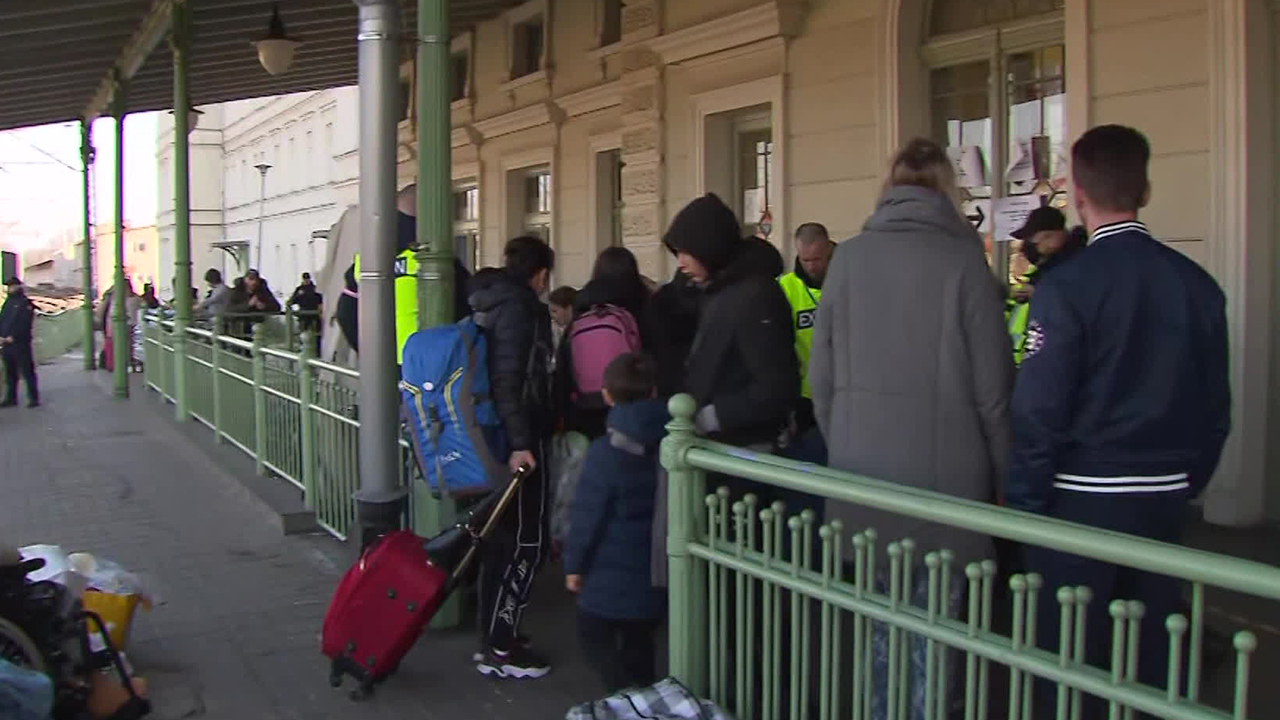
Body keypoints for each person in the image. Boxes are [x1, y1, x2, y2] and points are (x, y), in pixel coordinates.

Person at [1010, 125, 1230, 718]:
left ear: (1077, 192)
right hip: (1162, 501)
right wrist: (1185, 481)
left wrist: (1025, 503)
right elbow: (1217, 411)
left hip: (1079, 502)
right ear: (1147, 187)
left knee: (1067, 666)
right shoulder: (1198, 286)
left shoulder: (1066, 286)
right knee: (1154, 663)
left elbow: (1039, 410)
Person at [809, 138, 1012, 720]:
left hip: (865, 476)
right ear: (948, 190)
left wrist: (847, 442)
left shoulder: (847, 259)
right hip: (948, 484)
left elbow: (820, 379)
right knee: (937, 632)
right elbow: (994, 394)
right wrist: (1004, 476)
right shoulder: (965, 263)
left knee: (880, 626)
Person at [469, 235, 557, 680]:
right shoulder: (520, 310)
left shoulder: (486, 301)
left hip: (491, 438)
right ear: (540, 275)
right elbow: (511, 382)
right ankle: (501, 646)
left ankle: (494, 636)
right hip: (516, 442)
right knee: (528, 541)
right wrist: (522, 443)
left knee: (501, 542)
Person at [563, 352, 667, 693]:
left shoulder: (603, 452)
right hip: (655, 577)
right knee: (641, 647)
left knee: (594, 640)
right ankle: (644, 697)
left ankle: (624, 699)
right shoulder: (676, 443)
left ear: (606, 395)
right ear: (654, 392)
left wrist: (573, 565)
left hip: (606, 583)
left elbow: (587, 516)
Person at [662, 193, 799, 449]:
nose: (680, 263)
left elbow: (776, 386)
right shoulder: (719, 291)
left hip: (742, 449)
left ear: (708, 247)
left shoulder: (755, 297)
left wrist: (713, 416)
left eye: (686, 252)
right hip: (717, 444)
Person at [345, 184, 472, 362]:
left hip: (382, 364)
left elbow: (345, 312)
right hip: (427, 364)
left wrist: (367, 351)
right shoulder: (433, 255)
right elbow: (465, 308)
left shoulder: (366, 258)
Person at [556, 246, 650, 439]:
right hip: (633, 409)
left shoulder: (582, 309)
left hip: (586, 408)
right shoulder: (642, 306)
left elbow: (564, 367)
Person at [777, 222, 835, 465]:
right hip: (805, 396)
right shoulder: (786, 287)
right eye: (805, 259)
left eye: (818, 259)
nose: (811, 266)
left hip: (841, 391)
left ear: (830, 250)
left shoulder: (848, 278)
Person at [1004, 207, 1086, 366]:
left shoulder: (1074, 267)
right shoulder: (1043, 269)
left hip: (1057, 361)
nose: (1032, 246)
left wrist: (1039, 293)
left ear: (1054, 235)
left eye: (1036, 240)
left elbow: (1075, 307)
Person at [0, 277, 39, 408]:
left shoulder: (25, 303)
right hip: (6, 343)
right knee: (10, 372)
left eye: (12, 286)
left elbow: (25, 323)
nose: (10, 289)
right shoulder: (8, 302)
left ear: (18, 287)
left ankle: (33, 398)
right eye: (8, 287)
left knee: (27, 370)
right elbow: (2, 320)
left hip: (20, 343)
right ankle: (11, 398)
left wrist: (14, 336)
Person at [226, 269, 281, 338]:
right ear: (245, 280)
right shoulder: (236, 292)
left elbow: (277, 307)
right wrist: (248, 305)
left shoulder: (262, 291)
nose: (253, 282)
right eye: (251, 279)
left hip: (259, 327)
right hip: (240, 327)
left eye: (256, 280)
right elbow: (229, 309)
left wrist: (264, 306)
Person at [287, 272, 324, 340]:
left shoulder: (314, 288)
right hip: (303, 314)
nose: (306, 280)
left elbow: (320, 300)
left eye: (307, 279)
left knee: (316, 334)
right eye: (305, 279)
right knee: (304, 335)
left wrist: (320, 312)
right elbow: (292, 301)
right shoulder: (299, 289)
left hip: (314, 314)